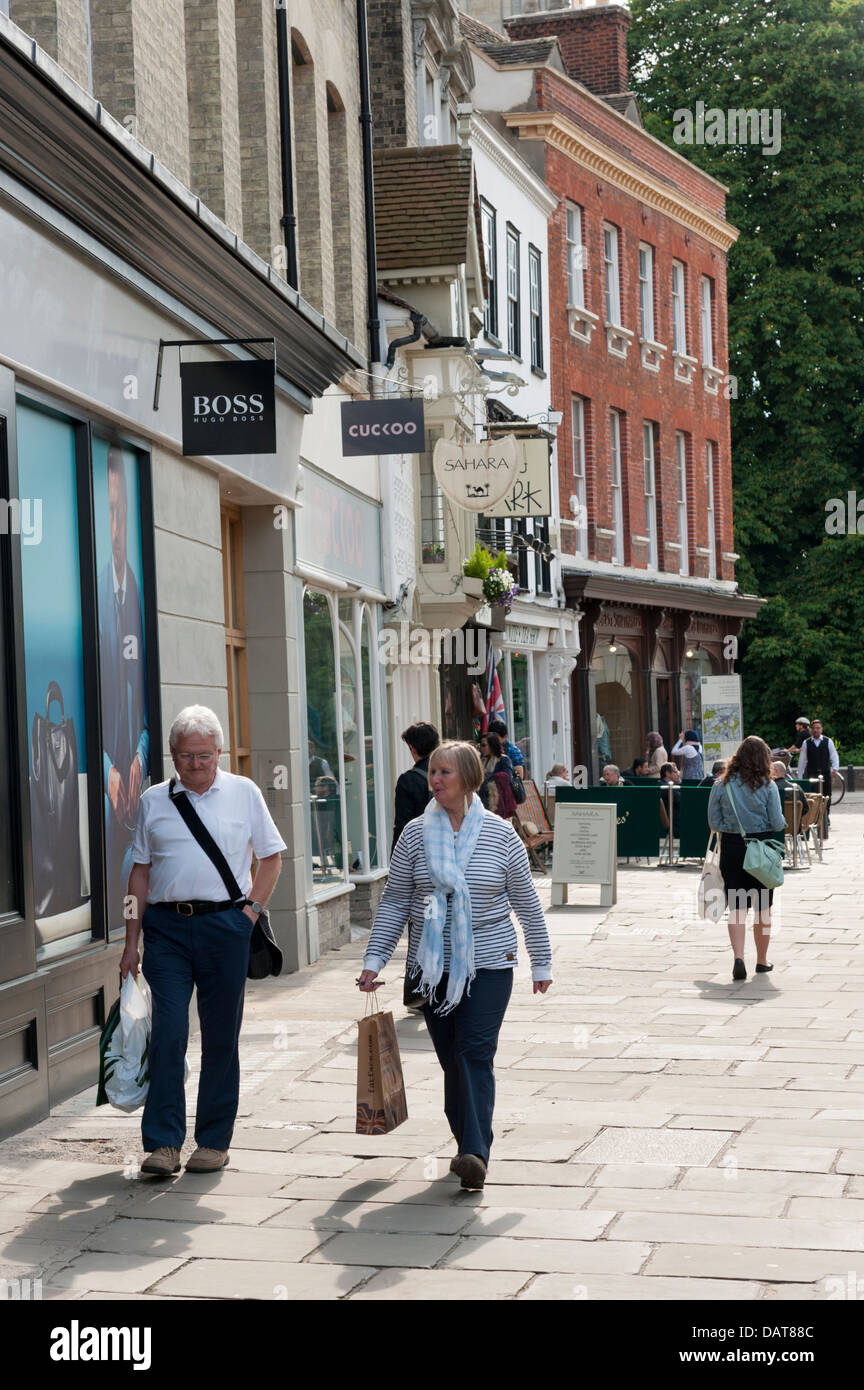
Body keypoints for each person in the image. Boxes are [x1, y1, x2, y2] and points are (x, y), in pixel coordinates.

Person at [358, 741, 552, 1191]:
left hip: (489, 962)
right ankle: (467, 1139)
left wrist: (540, 961)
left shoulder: (502, 837)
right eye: (432, 772)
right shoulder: (414, 835)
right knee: (451, 1060)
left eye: (445, 771)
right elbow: (395, 903)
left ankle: (474, 1153)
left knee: (474, 1053)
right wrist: (374, 960)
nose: (435, 779)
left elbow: (525, 903)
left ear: (467, 778)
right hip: (432, 966)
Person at [121, 705, 286, 1176]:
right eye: (186, 757)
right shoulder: (154, 800)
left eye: (205, 756)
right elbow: (139, 872)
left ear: (219, 752)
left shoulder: (244, 792)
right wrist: (131, 941)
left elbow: (272, 857)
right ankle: (162, 1145)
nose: (196, 765)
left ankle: (213, 1140)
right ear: (172, 755)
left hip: (224, 928)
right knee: (169, 1033)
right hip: (166, 929)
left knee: (220, 1037)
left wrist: (249, 913)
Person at [100, 446, 150, 930]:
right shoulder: (90, 591)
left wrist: (137, 754)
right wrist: (107, 769)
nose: (117, 529)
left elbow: (145, 705)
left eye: (122, 514)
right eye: (108, 513)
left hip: (133, 789)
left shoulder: (133, 587)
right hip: (103, 792)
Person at [707, 735, 785, 981]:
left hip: (732, 847)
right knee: (763, 908)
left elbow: (713, 821)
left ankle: (738, 957)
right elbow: (777, 822)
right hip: (760, 849)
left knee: (737, 908)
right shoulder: (768, 785)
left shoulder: (720, 785)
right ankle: (761, 961)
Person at [391, 721, 439, 853]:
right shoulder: (451, 773)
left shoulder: (408, 780)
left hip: (420, 852)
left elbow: (402, 825)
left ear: (412, 748)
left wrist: (395, 860)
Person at [796, 718, 839, 838]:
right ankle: (813, 818)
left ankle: (826, 816)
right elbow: (802, 761)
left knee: (827, 795)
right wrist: (800, 776)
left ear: (821, 729)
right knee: (813, 796)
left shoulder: (827, 741)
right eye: (814, 728)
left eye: (818, 728)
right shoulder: (806, 743)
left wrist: (835, 768)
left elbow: (834, 755)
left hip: (825, 773)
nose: (816, 730)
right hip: (811, 774)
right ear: (811, 730)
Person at [659, 761, 681, 836]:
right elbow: (681, 800)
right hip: (675, 825)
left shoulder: (663, 784)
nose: (678, 774)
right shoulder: (666, 787)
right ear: (668, 773)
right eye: (675, 772)